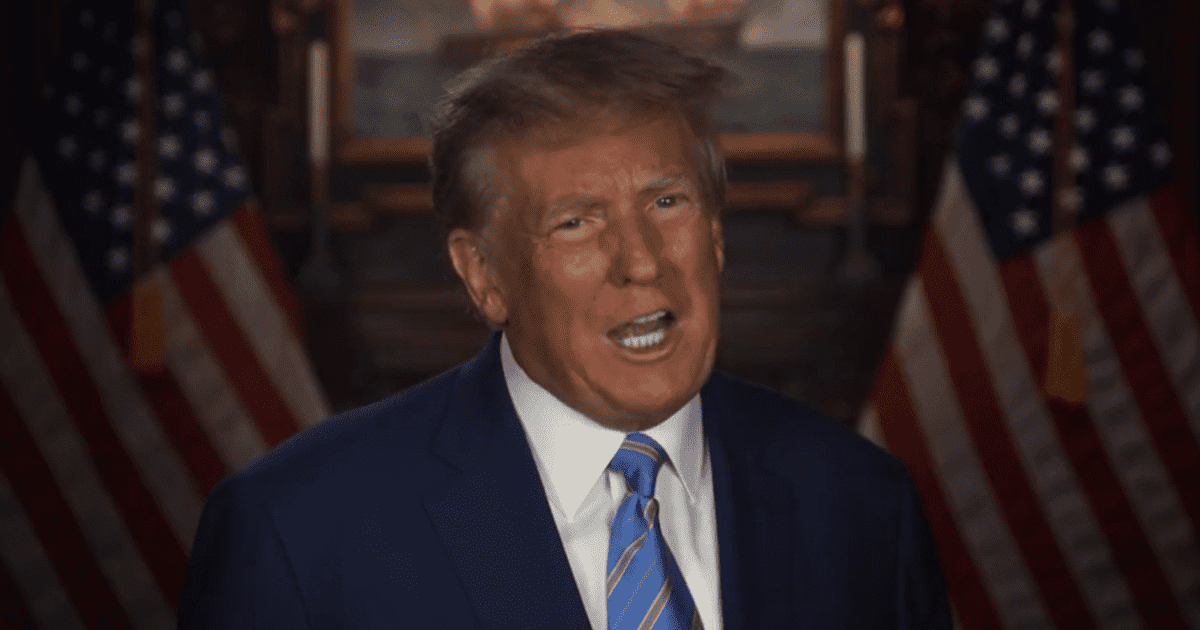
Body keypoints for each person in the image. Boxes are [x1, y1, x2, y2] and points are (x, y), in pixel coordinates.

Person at [178, 29, 952, 629]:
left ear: (716, 236)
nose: (641, 262)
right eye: (577, 223)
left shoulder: (860, 505)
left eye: (667, 203)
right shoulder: (298, 531)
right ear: (484, 276)